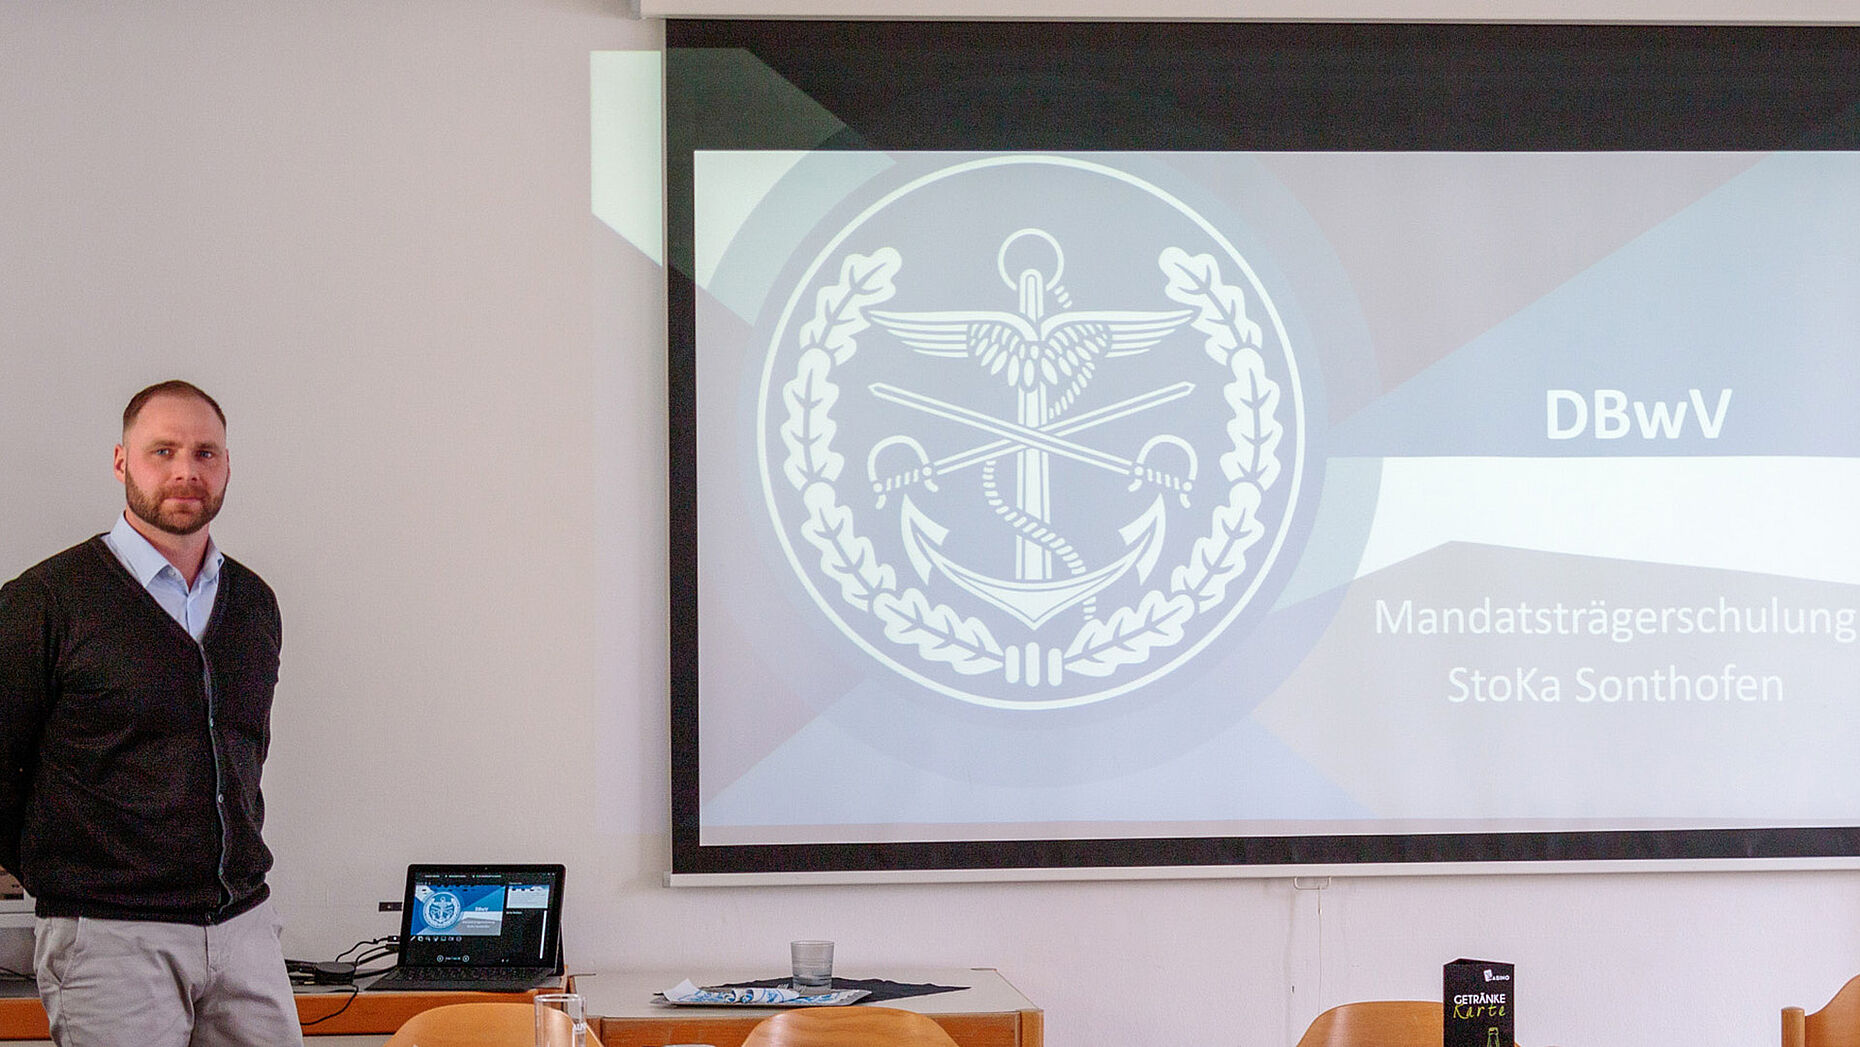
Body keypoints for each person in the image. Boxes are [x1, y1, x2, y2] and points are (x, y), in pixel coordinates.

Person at [0, 380, 302, 1047]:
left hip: (242, 928)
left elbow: (240, 759)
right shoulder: (45, 600)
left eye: (205, 452)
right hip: (110, 939)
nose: (185, 470)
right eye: (161, 450)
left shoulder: (253, 603)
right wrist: (67, 876)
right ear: (121, 461)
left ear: (227, 465)